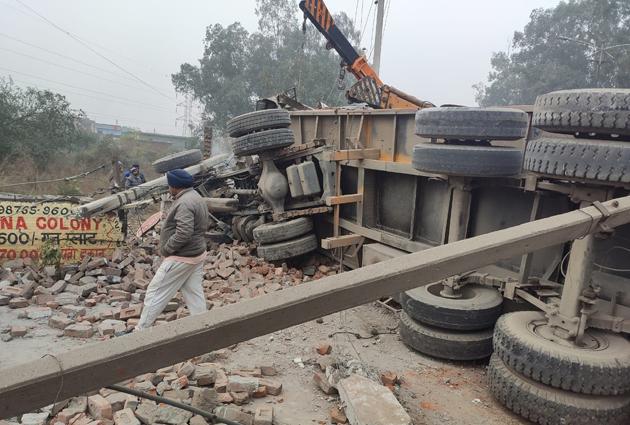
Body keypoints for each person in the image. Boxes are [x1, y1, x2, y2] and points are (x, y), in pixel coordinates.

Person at [136, 169, 208, 330]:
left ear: (175, 186)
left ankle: (140, 331)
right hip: (196, 254)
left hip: (182, 256)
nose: (168, 189)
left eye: (169, 186)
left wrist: (167, 249)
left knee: (155, 292)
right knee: (194, 295)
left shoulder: (184, 203)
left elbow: (184, 232)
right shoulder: (196, 197)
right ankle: (204, 328)